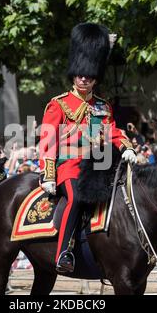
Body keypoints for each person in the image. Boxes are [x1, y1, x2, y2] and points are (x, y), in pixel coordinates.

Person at [38, 23, 137, 273]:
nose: (84, 78)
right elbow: (48, 141)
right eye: (81, 74)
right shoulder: (58, 105)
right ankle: (63, 253)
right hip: (69, 168)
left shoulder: (103, 106)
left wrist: (125, 146)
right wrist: (48, 173)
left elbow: (113, 131)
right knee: (76, 198)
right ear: (74, 74)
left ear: (95, 77)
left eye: (89, 75)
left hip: (100, 165)